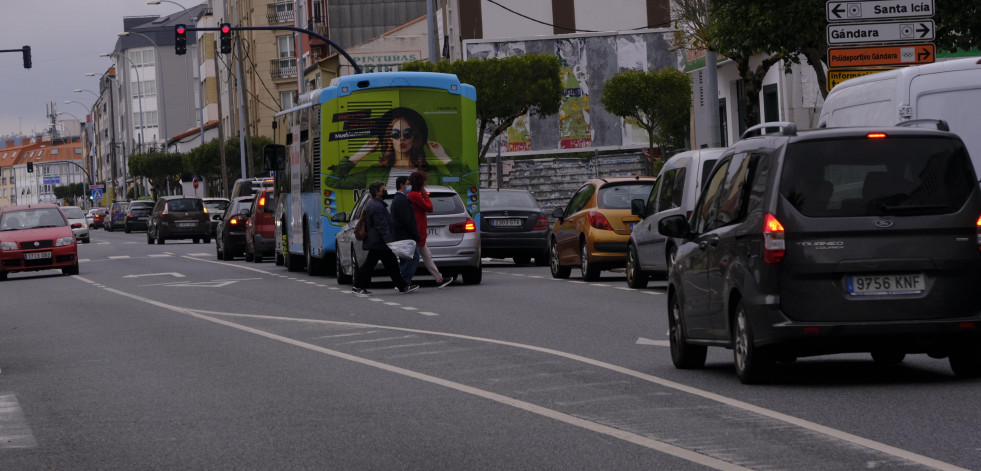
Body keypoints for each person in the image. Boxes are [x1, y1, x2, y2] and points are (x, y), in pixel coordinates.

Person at [324, 107, 476, 193]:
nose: (401, 139)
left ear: (415, 137)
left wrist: (443, 156)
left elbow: (466, 184)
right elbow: (333, 180)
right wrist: (361, 153)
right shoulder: (374, 173)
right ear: (390, 138)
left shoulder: (431, 173)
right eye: (396, 134)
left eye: (407, 134)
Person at [352, 180, 419, 297]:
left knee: (391, 264)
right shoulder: (378, 207)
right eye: (383, 190)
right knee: (370, 265)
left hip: (378, 241)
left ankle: (402, 286)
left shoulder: (373, 203)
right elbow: (382, 226)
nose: (385, 192)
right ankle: (358, 286)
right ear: (377, 192)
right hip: (379, 242)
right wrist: (388, 240)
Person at [407, 170, 454, 288]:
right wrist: (425, 195)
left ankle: (439, 279)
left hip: (418, 230)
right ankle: (403, 281)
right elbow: (429, 207)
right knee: (413, 259)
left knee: (426, 256)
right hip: (418, 231)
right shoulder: (415, 195)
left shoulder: (412, 195)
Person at [390, 175, 421, 284]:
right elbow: (408, 219)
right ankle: (403, 282)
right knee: (414, 258)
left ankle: (402, 282)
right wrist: (415, 233)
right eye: (408, 184)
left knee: (405, 259)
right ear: (401, 185)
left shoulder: (397, 199)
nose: (410, 186)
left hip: (400, 235)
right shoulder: (402, 200)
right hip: (406, 236)